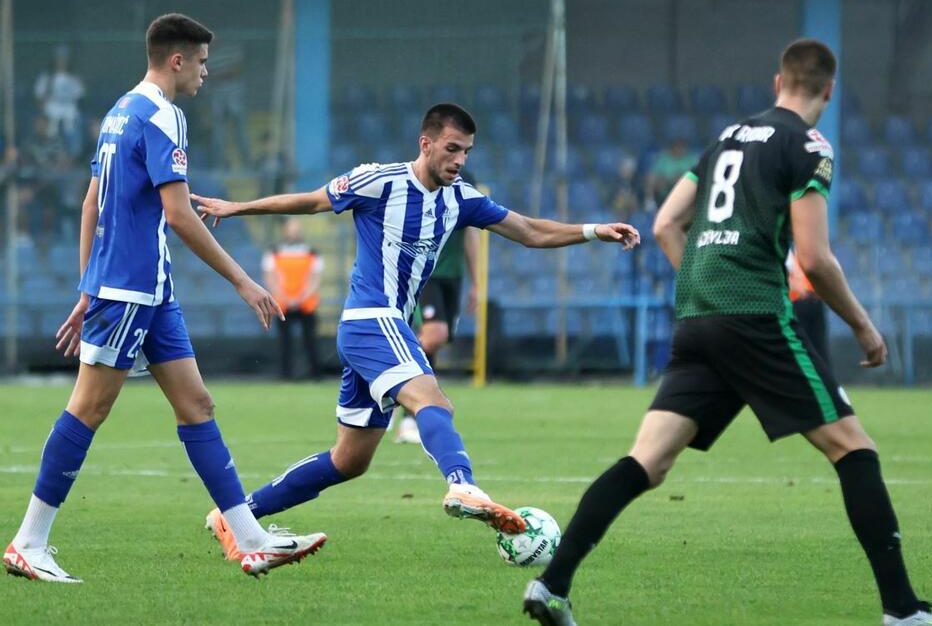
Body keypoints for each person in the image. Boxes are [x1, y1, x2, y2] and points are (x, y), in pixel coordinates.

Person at [521, 40, 932, 626]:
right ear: (829, 89)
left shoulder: (727, 139)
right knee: (854, 447)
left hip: (698, 321)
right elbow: (814, 258)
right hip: (755, 317)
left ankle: (552, 585)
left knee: (648, 460)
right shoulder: (808, 146)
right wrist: (863, 325)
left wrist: (703, 285)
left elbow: (665, 224)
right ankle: (903, 611)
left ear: (777, 82)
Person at [191, 103, 640, 560]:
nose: (459, 160)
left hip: (384, 327)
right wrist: (238, 207)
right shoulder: (378, 180)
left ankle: (235, 516)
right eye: (452, 148)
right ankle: (464, 486)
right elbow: (311, 201)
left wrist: (593, 230)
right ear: (426, 143)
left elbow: (528, 230)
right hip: (372, 319)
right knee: (433, 401)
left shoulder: (461, 198)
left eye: (466, 152)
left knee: (349, 460)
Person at [3, 13, 327, 584]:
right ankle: (29, 542)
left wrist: (87, 285)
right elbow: (178, 213)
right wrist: (242, 279)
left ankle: (250, 539)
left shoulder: (118, 112)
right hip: (129, 290)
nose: (205, 72)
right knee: (88, 408)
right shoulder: (163, 115)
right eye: (201, 62)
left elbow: (91, 204)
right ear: (177, 60)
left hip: (147, 291)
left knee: (197, 404)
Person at [394, 171, 481, 444]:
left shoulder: (465, 191)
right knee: (434, 335)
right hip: (424, 275)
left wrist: (476, 283)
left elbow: (470, 237)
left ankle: (395, 387)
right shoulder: (419, 191)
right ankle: (409, 412)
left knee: (433, 342)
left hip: (452, 277)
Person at [264, 217, 323, 380]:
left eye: (297, 230)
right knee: (285, 342)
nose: (294, 233)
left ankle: (315, 374)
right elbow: (270, 278)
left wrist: (302, 296)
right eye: (291, 229)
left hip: (306, 303)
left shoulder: (311, 253)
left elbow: (315, 278)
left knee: (310, 341)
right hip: (283, 304)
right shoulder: (274, 252)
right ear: (285, 231)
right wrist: (284, 297)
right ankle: (286, 375)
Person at [34, 45, 86, 157]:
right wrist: (42, 112)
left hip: (68, 107)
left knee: (72, 121)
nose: (61, 61)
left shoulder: (73, 77)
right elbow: (39, 95)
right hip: (52, 108)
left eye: (64, 58)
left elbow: (80, 95)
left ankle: (73, 153)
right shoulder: (48, 76)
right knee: (51, 128)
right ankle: (52, 150)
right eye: (59, 58)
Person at [787, 247, 830, 366]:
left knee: (817, 346)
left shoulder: (810, 250)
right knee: (803, 345)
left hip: (812, 300)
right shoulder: (787, 251)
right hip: (797, 301)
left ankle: (822, 373)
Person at [643, 137, 696, 211]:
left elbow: (696, 175)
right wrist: (666, 179)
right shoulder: (664, 158)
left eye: (681, 146)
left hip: (684, 186)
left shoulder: (690, 159)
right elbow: (653, 174)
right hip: (665, 186)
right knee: (651, 178)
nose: (679, 149)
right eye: (677, 146)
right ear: (672, 147)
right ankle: (649, 202)